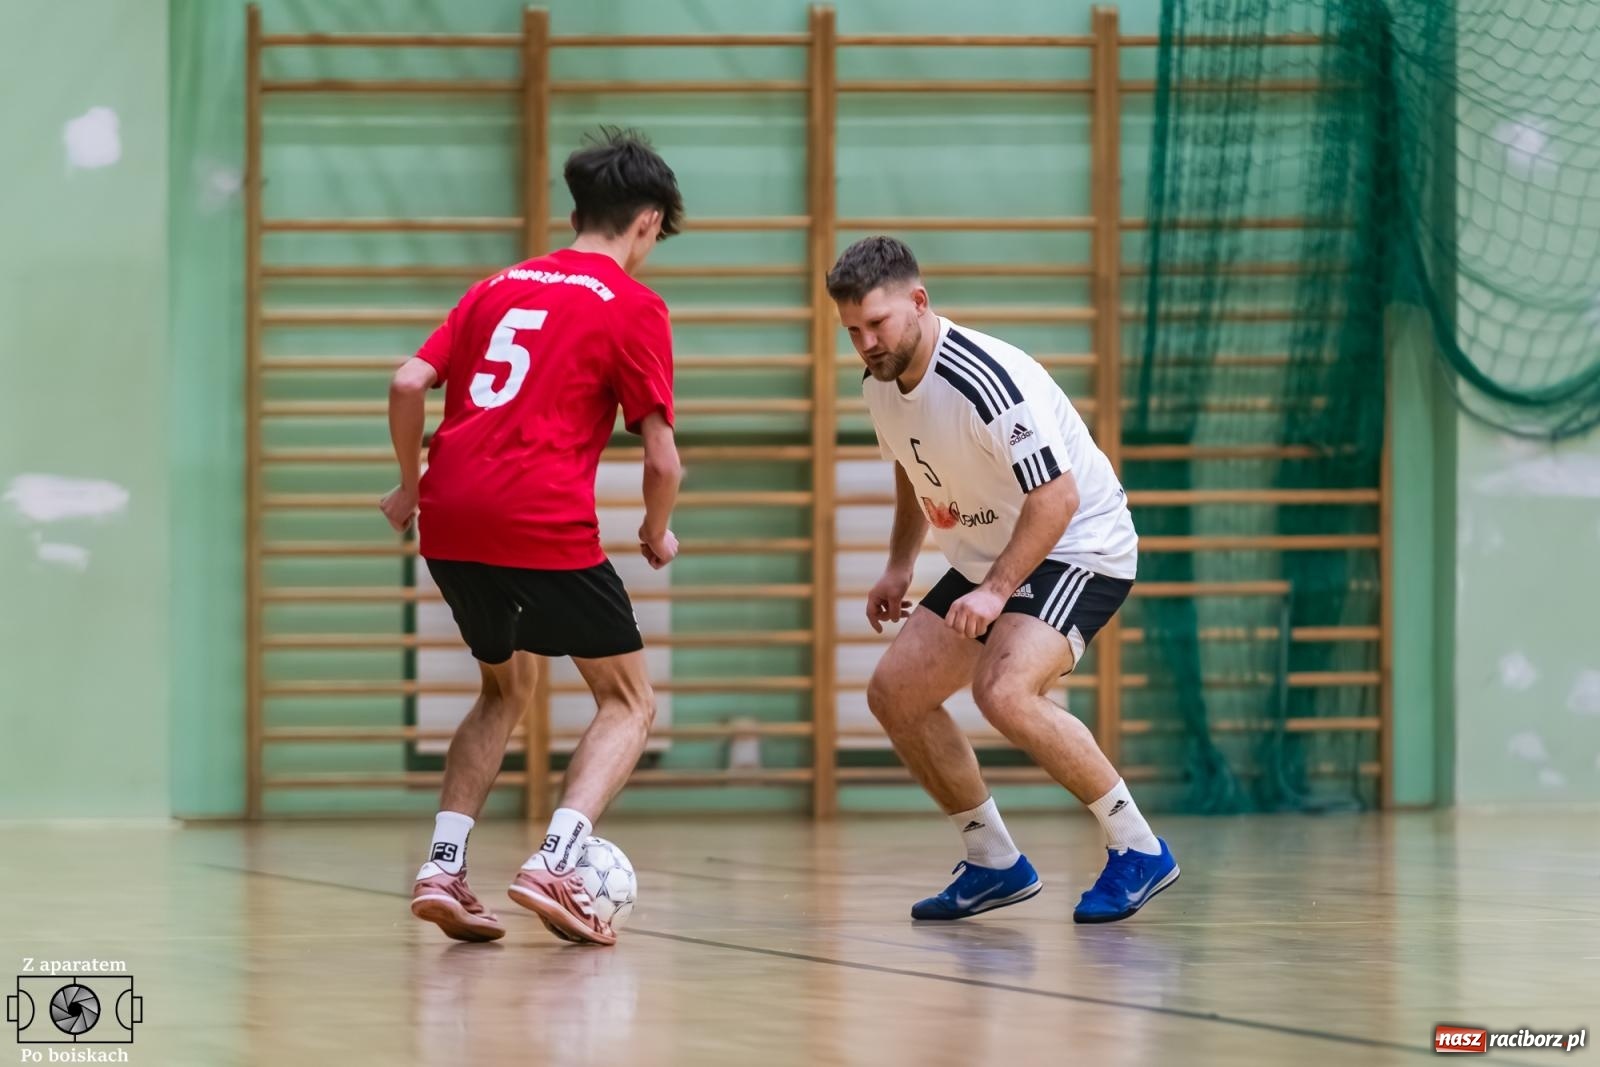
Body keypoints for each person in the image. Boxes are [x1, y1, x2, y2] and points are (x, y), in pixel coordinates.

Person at [381, 128, 684, 946]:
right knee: (627, 699)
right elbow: (663, 460)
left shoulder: (496, 287)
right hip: (539, 519)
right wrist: (656, 532)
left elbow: (408, 380)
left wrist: (411, 484)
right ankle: (557, 859)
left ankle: (442, 864)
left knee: (502, 689)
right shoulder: (633, 306)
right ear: (647, 222)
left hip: (450, 517)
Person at [828, 235, 1179, 924]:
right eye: (853, 331)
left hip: (1082, 544)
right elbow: (910, 468)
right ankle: (992, 859)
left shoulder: (985, 380)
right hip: (992, 554)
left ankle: (1138, 846)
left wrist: (993, 593)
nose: (866, 341)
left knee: (1004, 689)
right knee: (895, 694)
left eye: (878, 323)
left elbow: (1057, 500)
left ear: (920, 303)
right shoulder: (880, 386)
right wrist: (901, 564)